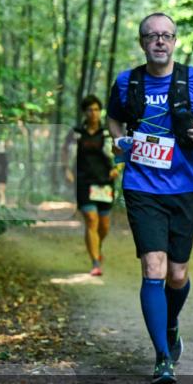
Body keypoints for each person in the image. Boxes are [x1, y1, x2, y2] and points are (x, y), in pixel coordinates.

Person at [106, 12, 193, 384]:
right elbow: (113, 117)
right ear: (142, 43)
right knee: (153, 269)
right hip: (141, 187)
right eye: (152, 36)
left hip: (184, 186)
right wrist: (116, 139)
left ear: (174, 42)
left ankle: (170, 324)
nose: (160, 41)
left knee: (177, 274)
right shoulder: (127, 82)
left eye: (167, 36)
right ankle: (162, 357)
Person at [65, 95, 119, 276]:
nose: (93, 113)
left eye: (96, 109)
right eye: (90, 110)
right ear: (84, 112)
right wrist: (67, 170)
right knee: (91, 220)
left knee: (103, 225)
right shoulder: (76, 133)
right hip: (83, 182)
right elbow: (65, 153)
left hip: (104, 183)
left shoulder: (106, 133)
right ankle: (95, 262)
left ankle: (97, 245)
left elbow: (120, 153)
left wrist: (117, 168)